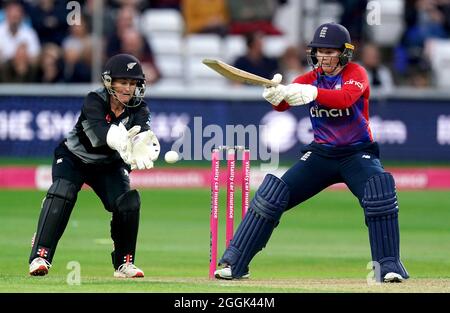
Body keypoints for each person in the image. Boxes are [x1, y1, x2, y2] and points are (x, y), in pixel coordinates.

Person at [214, 23, 409, 283]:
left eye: (331, 52)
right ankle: (234, 263)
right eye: (319, 51)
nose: (324, 57)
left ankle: (388, 266)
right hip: (320, 156)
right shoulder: (307, 79)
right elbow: (284, 105)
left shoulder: (356, 73)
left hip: (357, 154)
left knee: (379, 191)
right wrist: (277, 95)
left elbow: (345, 99)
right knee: (272, 195)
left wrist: (314, 92)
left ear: (344, 53)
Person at [28, 53, 160, 278]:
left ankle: (124, 264)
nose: (128, 89)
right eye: (123, 83)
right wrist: (121, 140)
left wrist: (141, 147)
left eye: (133, 83)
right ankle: (41, 256)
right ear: (109, 83)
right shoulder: (94, 100)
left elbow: (143, 137)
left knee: (128, 202)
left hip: (108, 165)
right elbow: (100, 134)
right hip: (73, 158)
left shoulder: (140, 109)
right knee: (63, 191)